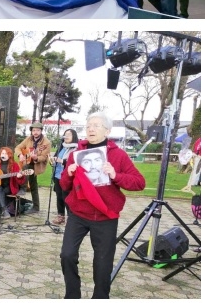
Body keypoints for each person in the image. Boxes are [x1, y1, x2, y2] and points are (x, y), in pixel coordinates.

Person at [59, 112, 146, 299]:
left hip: (106, 216)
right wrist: (69, 173)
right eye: (89, 125)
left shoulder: (118, 155)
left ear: (107, 131)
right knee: (67, 254)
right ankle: (72, 295)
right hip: (78, 213)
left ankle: (100, 297)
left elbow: (139, 182)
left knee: (102, 263)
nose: (90, 128)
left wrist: (116, 176)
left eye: (96, 125)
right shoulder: (76, 154)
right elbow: (64, 185)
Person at [14, 121, 51, 213]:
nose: (35, 132)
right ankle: (36, 207)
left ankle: (23, 187)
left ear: (41, 131)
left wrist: (36, 157)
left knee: (27, 170)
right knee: (33, 184)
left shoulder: (46, 142)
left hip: (37, 164)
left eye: (38, 130)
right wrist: (20, 155)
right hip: (27, 161)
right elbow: (17, 148)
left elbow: (44, 157)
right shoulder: (28, 139)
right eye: (34, 130)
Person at [49, 128, 78, 225]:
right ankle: (60, 215)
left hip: (67, 177)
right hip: (58, 175)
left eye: (69, 134)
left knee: (67, 197)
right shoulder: (62, 147)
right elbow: (56, 158)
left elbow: (74, 162)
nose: (66, 136)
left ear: (74, 136)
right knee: (59, 196)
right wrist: (52, 160)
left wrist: (62, 161)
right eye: (65, 134)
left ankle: (71, 217)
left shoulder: (76, 148)